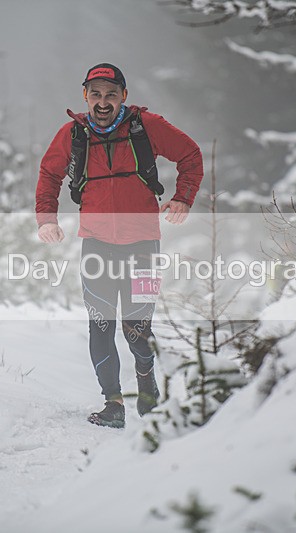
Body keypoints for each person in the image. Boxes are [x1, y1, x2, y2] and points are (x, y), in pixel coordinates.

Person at [35, 63, 203, 428]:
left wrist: (182, 199)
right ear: (85, 96)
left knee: (137, 328)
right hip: (96, 245)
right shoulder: (73, 133)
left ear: (124, 96)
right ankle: (113, 403)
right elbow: (49, 173)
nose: (103, 101)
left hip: (143, 244)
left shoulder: (146, 127)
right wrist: (46, 219)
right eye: (95, 94)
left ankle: (147, 390)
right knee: (100, 325)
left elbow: (191, 155)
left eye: (111, 94)